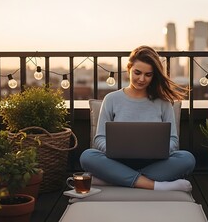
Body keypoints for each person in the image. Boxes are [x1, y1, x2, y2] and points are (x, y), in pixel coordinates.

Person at [80, 45, 196, 192]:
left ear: (154, 76)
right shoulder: (111, 99)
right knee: (87, 156)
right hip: (116, 161)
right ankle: (154, 185)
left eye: (148, 75)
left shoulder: (164, 103)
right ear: (129, 68)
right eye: (137, 72)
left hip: (154, 164)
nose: (142, 79)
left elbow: (173, 140)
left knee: (187, 159)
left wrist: (157, 150)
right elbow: (99, 138)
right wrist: (115, 150)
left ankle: (114, 179)